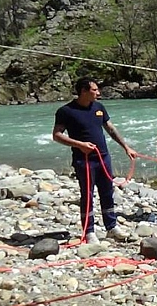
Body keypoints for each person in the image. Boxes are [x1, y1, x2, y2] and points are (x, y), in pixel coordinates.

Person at [52, 77, 136, 244]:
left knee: (107, 193)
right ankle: (89, 232)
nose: (98, 93)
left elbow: (110, 128)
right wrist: (79, 144)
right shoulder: (66, 111)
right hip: (84, 160)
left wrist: (126, 147)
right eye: (95, 90)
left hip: (103, 157)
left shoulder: (99, 107)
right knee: (88, 195)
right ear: (84, 91)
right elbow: (56, 135)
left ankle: (111, 227)